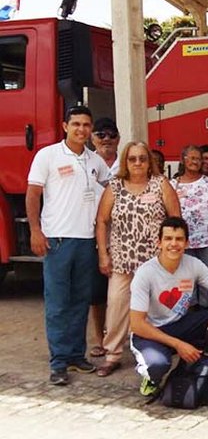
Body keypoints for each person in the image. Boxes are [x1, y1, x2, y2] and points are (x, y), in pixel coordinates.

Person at [26, 105, 111, 385]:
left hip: (87, 242)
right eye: (76, 124)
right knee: (58, 304)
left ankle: (76, 356)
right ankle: (59, 362)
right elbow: (33, 194)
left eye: (86, 125)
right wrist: (36, 231)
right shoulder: (47, 156)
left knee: (79, 302)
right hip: (58, 241)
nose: (81, 130)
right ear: (65, 126)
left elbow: (109, 193)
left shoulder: (95, 161)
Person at [94, 141, 180, 377]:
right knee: (117, 306)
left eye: (142, 158)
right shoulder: (115, 186)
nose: (138, 163)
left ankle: (155, 349)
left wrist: (172, 253)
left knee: (156, 308)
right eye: (132, 159)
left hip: (154, 261)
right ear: (125, 162)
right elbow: (102, 221)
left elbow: (175, 218)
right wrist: (103, 254)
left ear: (149, 160)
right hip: (122, 259)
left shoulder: (161, 184)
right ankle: (112, 354)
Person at [129, 217, 208, 397]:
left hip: (180, 325)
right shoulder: (145, 273)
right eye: (168, 239)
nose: (174, 244)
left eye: (179, 239)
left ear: (187, 243)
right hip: (150, 333)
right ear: (159, 243)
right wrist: (179, 345)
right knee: (158, 365)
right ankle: (151, 378)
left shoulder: (193, 264)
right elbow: (137, 324)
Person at [172, 145, 208, 306]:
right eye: (192, 158)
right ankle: (191, 312)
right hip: (184, 242)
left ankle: (207, 313)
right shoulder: (173, 184)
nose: (196, 162)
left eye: (198, 159)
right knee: (186, 278)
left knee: (207, 277)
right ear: (183, 159)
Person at [87, 117, 121, 359]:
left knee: (126, 293)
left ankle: (129, 337)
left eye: (111, 134)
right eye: (101, 134)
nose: (106, 139)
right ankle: (101, 340)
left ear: (118, 138)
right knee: (97, 295)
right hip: (93, 237)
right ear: (93, 138)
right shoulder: (84, 163)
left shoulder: (128, 163)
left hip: (124, 239)